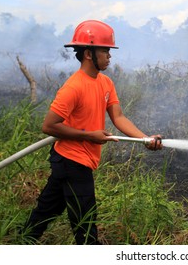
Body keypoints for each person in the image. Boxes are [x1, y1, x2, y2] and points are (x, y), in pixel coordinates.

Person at [22, 20, 162, 245]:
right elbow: (49, 126)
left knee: (45, 211)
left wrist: (144, 138)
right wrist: (89, 135)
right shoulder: (73, 87)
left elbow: (118, 117)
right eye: (105, 50)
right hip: (72, 161)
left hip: (70, 161)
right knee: (86, 226)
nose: (109, 55)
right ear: (88, 53)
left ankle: (21, 244)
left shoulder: (105, 83)